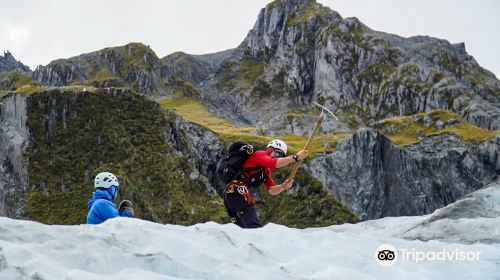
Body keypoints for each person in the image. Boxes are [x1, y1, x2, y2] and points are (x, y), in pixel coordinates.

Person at [223, 139, 308, 228]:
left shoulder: (265, 170)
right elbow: (274, 163)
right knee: (253, 224)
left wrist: (283, 186)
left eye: (280, 156)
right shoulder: (259, 154)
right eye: (278, 154)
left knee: (240, 228)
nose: (277, 157)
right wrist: (295, 157)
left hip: (230, 193)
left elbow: (271, 190)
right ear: (270, 149)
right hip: (238, 189)